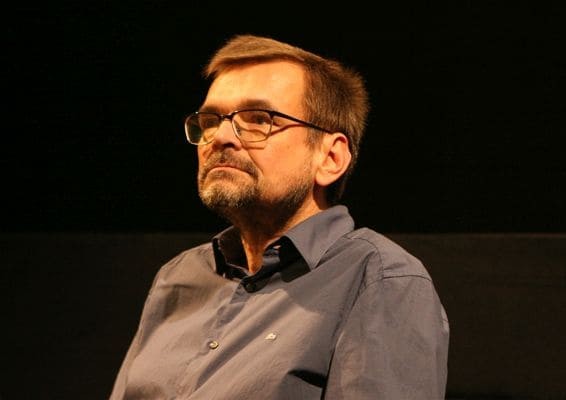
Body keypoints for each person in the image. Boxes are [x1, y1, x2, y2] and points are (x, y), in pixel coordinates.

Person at [109, 34, 449, 399]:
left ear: (330, 158)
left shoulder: (379, 279)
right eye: (210, 120)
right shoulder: (178, 277)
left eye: (259, 119)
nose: (220, 137)